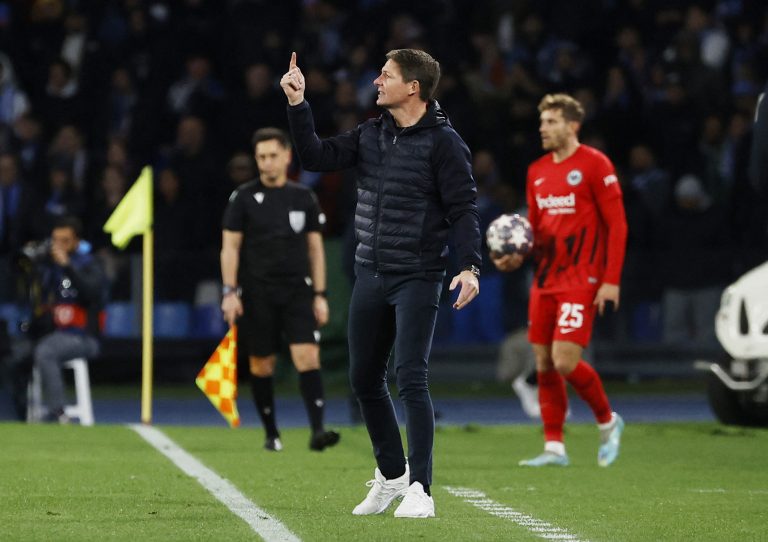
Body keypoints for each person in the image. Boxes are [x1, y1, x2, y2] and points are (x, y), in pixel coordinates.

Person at [281, 49, 481, 518]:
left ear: (413, 87)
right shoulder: (370, 134)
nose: (376, 81)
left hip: (418, 273)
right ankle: (391, 476)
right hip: (369, 271)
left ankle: (421, 489)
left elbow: (463, 210)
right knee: (362, 379)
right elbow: (314, 155)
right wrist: (298, 105)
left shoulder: (445, 144)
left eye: (386, 75)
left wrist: (470, 266)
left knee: (411, 377)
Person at [492, 93, 628, 467]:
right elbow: (535, 230)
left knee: (565, 360)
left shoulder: (595, 165)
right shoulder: (537, 170)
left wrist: (610, 280)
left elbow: (617, 225)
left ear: (573, 126)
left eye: (551, 122)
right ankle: (554, 446)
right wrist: (515, 257)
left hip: (581, 278)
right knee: (544, 361)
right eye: (541, 123)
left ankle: (608, 420)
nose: (543, 129)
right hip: (545, 278)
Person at [220, 127, 340, 453]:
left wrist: (321, 295)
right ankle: (271, 434)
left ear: (287, 156)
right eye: (261, 157)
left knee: (308, 356)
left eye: (273, 156)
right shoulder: (242, 198)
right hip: (258, 292)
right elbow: (229, 248)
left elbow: (316, 250)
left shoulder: (304, 197)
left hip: (298, 290)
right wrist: (230, 292)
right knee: (262, 364)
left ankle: (317, 430)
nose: (267, 163)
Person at [30, 216, 105, 423]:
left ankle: (58, 413)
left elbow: (91, 292)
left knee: (46, 351)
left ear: (76, 241)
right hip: (56, 333)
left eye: (65, 240)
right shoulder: (50, 267)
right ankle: (25, 413)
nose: (59, 246)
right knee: (19, 352)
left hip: (84, 337)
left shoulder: (91, 263)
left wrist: (68, 266)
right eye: (56, 240)